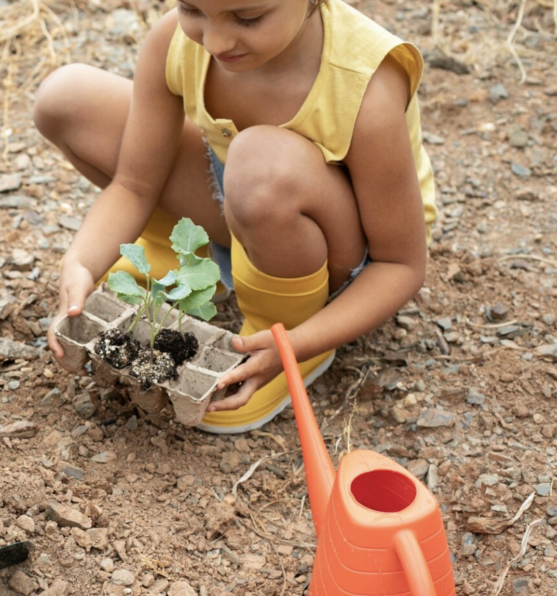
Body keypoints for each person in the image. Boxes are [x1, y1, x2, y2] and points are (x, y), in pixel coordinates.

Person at [35, 0, 436, 433]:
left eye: (248, 18)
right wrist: (80, 263)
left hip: (343, 250)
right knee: (66, 99)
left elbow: (399, 265)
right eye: (192, 9)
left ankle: (282, 326)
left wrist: (292, 345)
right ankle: (189, 252)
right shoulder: (178, 40)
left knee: (259, 165)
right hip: (245, 196)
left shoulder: (365, 85)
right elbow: (135, 183)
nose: (215, 41)